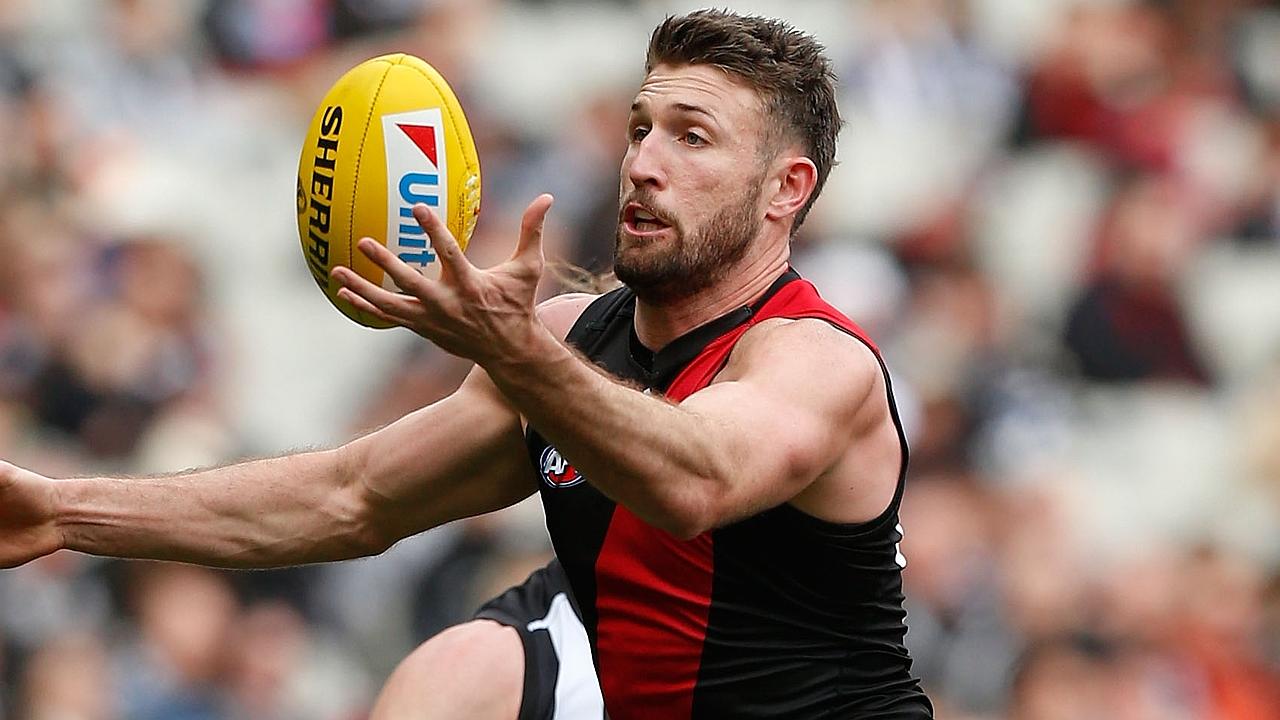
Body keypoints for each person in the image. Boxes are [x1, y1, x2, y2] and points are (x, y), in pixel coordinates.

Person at [0, 9, 933, 719]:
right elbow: (350, 496)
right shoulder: (568, 344)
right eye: (640, 127)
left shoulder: (821, 361)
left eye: (692, 136)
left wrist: (515, 350)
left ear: (786, 190)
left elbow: (695, 478)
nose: (644, 162)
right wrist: (60, 512)